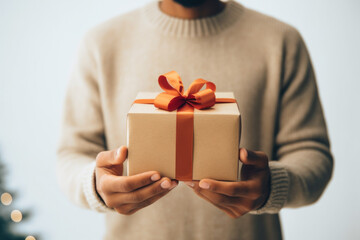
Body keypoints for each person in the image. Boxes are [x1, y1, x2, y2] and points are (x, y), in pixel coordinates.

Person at [56, 0, 333, 239]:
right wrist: (95, 184)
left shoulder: (280, 41)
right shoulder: (102, 43)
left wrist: (272, 187)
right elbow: (72, 154)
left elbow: (312, 153)